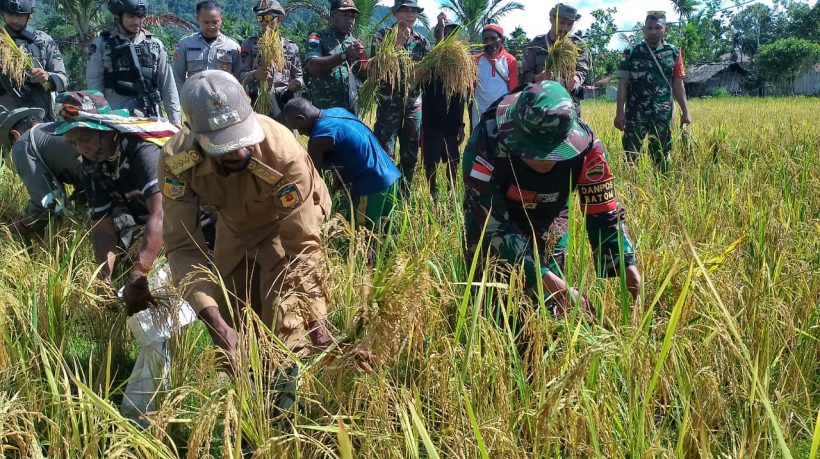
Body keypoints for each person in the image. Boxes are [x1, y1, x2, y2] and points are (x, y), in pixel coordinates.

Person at [159, 71, 338, 399]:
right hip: (235, 226)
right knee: (237, 321)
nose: (240, 153)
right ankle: (252, 400)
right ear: (197, 136)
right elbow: (182, 245)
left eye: (242, 140)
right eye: (225, 146)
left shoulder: (283, 153)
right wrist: (216, 325)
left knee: (286, 325)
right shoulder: (178, 161)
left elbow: (302, 245)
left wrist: (317, 324)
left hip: (289, 224)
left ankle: (282, 414)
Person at [463, 81, 641, 317]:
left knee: (551, 308)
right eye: (533, 152)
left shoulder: (589, 149)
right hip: (494, 217)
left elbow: (604, 213)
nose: (544, 161)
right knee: (491, 300)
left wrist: (625, 263)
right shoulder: (485, 143)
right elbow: (494, 226)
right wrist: (552, 284)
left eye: (555, 153)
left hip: (551, 215)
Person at [283, 98, 400, 232]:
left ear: (301, 119)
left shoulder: (319, 137)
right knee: (383, 234)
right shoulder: (337, 111)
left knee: (363, 237)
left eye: (298, 128)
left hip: (372, 187)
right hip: (391, 176)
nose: (302, 133)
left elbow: (312, 179)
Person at [614, 11, 691, 173]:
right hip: (635, 113)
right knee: (631, 154)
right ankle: (631, 188)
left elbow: (678, 83)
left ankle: (662, 187)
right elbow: (623, 83)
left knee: (662, 154)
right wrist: (619, 113)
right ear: (644, 29)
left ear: (666, 29)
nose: (653, 31)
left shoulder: (674, 52)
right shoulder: (631, 52)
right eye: (649, 28)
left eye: (658, 27)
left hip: (662, 114)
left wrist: (686, 111)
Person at [86, 0, 182, 125]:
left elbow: (168, 84)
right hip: (116, 118)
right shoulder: (102, 44)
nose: (136, 21)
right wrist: (101, 118)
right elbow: (94, 84)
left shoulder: (155, 45)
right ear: (119, 16)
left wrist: (175, 120)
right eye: (131, 16)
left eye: (140, 16)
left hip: (151, 117)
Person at [371, 0, 431, 190]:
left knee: (410, 155)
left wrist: (424, 71)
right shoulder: (382, 36)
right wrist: (396, 44)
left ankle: (404, 195)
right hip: (388, 106)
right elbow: (375, 71)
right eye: (404, 10)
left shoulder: (422, 41)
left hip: (412, 105)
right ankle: (385, 195)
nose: (410, 15)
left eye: (414, 11)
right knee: (385, 152)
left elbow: (427, 74)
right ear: (395, 13)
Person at [0, 105, 85, 234]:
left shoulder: (23, 142)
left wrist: (23, 224)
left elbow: (45, 199)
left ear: (15, 134)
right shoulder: (55, 128)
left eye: (12, 143)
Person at [0, 0, 68, 121]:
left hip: (40, 117)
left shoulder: (43, 41)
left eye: (20, 15)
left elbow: (63, 80)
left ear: (30, 15)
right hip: (5, 118)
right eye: (10, 14)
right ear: (3, 13)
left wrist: (48, 77)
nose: (15, 20)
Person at [422, 15, 465, 196]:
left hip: (452, 121)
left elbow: (464, 95)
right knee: (431, 160)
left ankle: (451, 193)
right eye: (444, 32)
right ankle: (432, 192)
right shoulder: (430, 59)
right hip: (432, 119)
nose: (449, 36)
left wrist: (461, 125)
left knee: (453, 160)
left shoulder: (462, 62)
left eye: (452, 33)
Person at [239, 0, 304, 121]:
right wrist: (255, 75)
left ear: (279, 18)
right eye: (260, 18)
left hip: (284, 104)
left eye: (268, 17)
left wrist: (296, 84)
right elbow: (241, 76)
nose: (263, 22)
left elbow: (299, 76)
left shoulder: (291, 47)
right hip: (256, 105)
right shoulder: (249, 44)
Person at [522, 3, 590, 112]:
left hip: (569, 106)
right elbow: (525, 75)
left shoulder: (578, 46)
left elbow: (583, 71)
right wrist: (538, 78)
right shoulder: (535, 44)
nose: (565, 28)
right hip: (540, 106)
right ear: (551, 19)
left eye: (569, 24)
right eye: (562, 22)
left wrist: (575, 80)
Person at [304, 0, 366, 114]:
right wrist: (345, 55)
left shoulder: (355, 43)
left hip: (350, 110)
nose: (349, 20)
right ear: (332, 16)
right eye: (345, 15)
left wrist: (365, 61)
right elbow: (312, 66)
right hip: (325, 110)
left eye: (352, 16)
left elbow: (363, 76)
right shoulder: (317, 37)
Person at [172, 1, 241, 91]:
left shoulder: (232, 47)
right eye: (206, 22)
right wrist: (182, 99)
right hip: (193, 99)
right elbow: (177, 77)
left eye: (215, 22)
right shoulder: (185, 44)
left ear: (221, 20)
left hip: (223, 100)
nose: (211, 26)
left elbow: (239, 78)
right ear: (198, 19)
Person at [471, 24, 518, 130]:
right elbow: (471, 88)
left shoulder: (510, 60)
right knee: (480, 143)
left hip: (502, 112)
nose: (489, 42)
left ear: (501, 40)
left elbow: (514, 90)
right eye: (485, 39)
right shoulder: (475, 60)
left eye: (493, 38)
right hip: (480, 112)